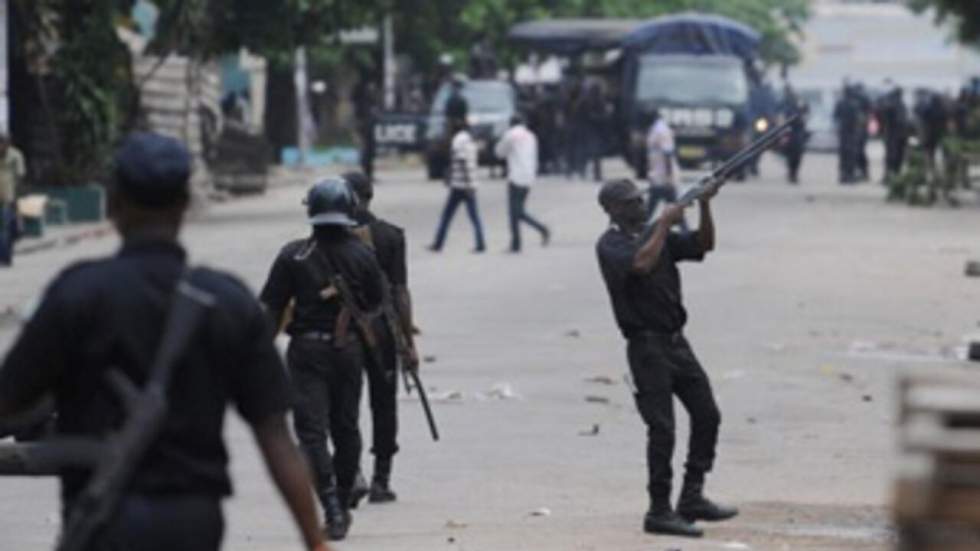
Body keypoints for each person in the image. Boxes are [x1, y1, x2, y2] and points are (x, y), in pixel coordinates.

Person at [0, 132, 331, 551]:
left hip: (101, 520)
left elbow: (10, 400)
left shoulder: (76, 293)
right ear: (185, 205)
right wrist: (314, 540)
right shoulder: (226, 301)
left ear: (114, 204)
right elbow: (276, 439)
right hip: (192, 523)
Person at [595, 178, 737, 539]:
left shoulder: (653, 234)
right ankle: (659, 510)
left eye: (641, 198)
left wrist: (704, 205)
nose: (641, 204)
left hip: (676, 343)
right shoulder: (610, 244)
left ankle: (691, 496)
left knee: (707, 414)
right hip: (646, 348)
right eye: (631, 202)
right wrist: (663, 223)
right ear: (613, 209)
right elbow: (641, 264)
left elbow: (704, 244)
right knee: (662, 430)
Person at [260, 178, 384, 540]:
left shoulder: (292, 254)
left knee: (311, 432)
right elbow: (377, 301)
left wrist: (260, 354)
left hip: (306, 352)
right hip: (348, 352)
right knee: (346, 427)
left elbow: (271, 307)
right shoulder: (363, 255)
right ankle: (342, 503)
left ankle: (330, 506)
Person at [343, 171, 420, 504]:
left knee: (343, 405)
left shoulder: (329, 235)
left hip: (342, 331)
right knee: (383, 403)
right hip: (383, 330)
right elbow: (400, 292)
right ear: (370, 195)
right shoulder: (390, 236)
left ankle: (352, 472)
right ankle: (381, 478)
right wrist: (408, 341)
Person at [428, 119, 487, 253]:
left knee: (446, 216)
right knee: (474, 217)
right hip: (470, 185)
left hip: (460, 185)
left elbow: (461, 161)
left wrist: (455, 179)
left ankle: (438, 244)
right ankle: (481, 243)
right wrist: (470, 184)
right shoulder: (471, 141)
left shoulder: (458, 140)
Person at [495, 115, 551, 252]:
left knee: (515, 212)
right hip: (529, 177)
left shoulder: (510, 135)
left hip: (516, 177)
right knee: (517, 212)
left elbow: (499, 153)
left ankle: (538, 231)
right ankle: (517, 243)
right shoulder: (531, 136)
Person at [0, 134, 26, 266]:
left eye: (3, 144)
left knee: (5, 229)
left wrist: (18, 199)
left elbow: (20, 178)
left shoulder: (15, 156)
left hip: (8, 198)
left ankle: (5, 257)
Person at [780, 86, 809, 184]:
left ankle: (794, 173)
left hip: (799, 133)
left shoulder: (801, 105)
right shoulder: (787, 106)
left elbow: (807, 112)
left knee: (797, 156)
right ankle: (792, 173)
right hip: (791, 133)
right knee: (791, 156)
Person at [352, 79, 379, 182]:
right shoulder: (362, 104)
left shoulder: (370, 104)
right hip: (365, 128)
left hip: (368, 129)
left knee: (369, 152)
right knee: (366, 152)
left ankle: (369, 174)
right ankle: (367, 174)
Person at [833, 85, 860, 184]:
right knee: (851, 155)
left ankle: (843, 175)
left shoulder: (840, 103)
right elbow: (857, 120)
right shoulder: (854, 104)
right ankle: (850, 175)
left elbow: (835, 117)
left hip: (843, 132)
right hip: (852, 132)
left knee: (843, 155)